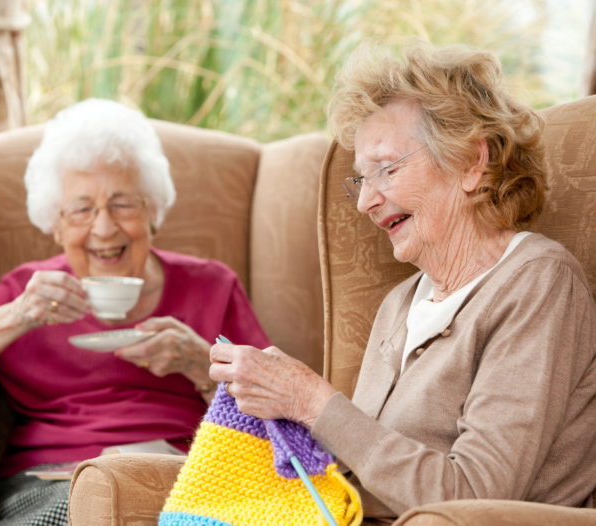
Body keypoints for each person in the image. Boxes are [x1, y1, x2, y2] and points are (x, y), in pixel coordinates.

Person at [210, 41, 596, 522]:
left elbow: (472, 495)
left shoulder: (538, 282)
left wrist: (311, 399)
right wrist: (278, 404)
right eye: (361, 179)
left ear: (472, 163)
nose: (364, 202)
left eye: (387, 170)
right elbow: (364, 473)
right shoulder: (400, 304)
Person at [0, 98, 270, 526]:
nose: (104, 227)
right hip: (52, 484)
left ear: (153, 213)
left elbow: (276, 420)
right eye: (81, 209)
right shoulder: (27, 291)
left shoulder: (212, 285)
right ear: (55, 224)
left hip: (182, 481)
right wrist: (16, 316)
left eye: (123, 204)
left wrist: (201, 366)